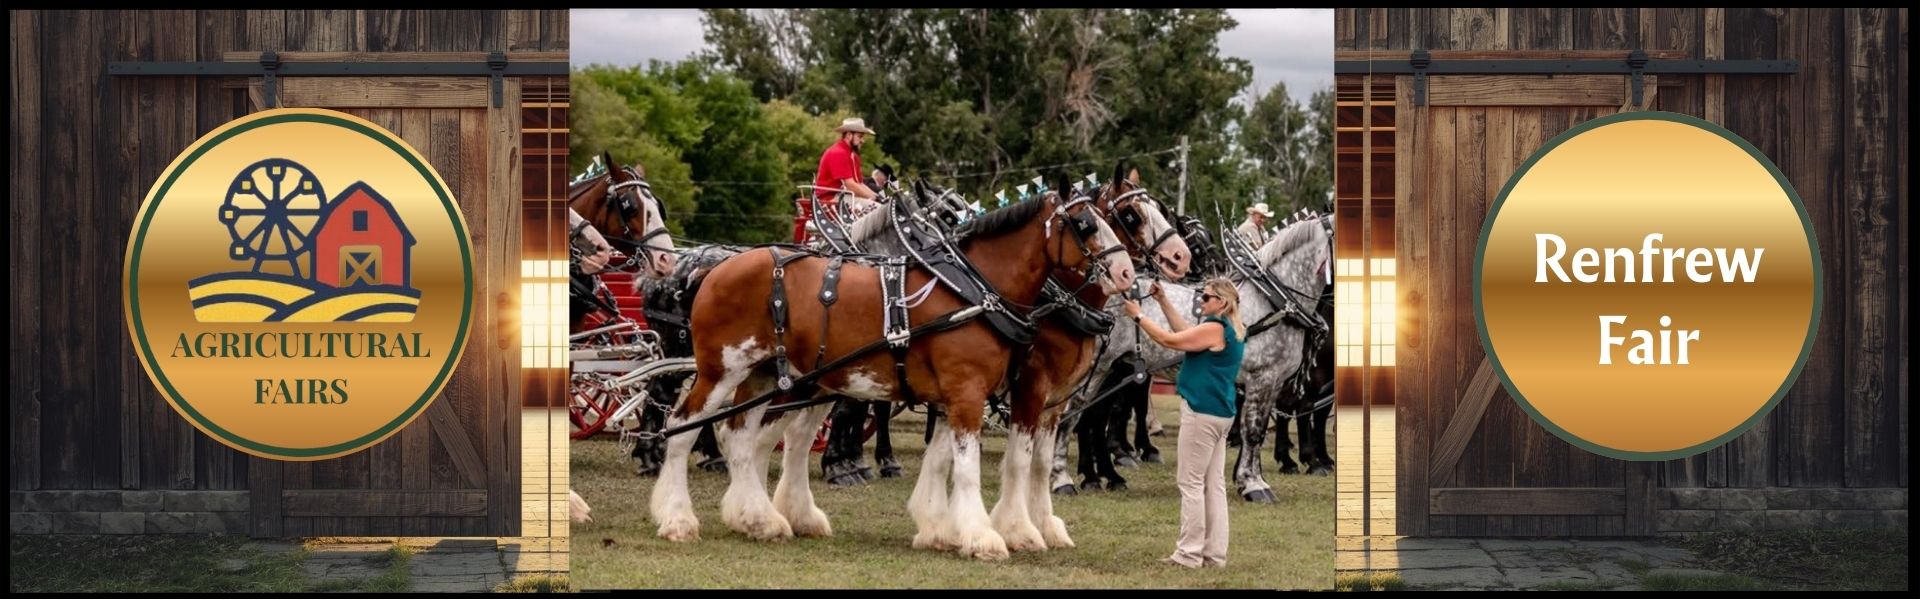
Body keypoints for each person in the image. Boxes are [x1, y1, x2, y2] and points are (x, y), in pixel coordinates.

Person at [1123, 278, 1246, 569]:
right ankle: (1214, 555)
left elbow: (1169, 340)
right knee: (1212, 485)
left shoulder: (1215, 329)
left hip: (1201, 411)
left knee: (1190, 483)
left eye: (1206, 297)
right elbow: (1185, 333)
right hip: (1220, 412)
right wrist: (1164, 300)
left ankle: (1188, 554)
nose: (1201, 301)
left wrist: (1138, 315)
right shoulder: (1229, 330)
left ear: (1222, 302)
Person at [798, 117, 881, 242]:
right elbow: (850, 185)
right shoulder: (838, 153)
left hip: (843, 197)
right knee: (878, 211)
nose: (862, 141)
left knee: (880, 207)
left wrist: (879, 197)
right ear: (848, 135)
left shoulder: (851, 155)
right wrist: (875, 199)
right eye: (860, 136)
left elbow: (859, 184)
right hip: (830, 200)